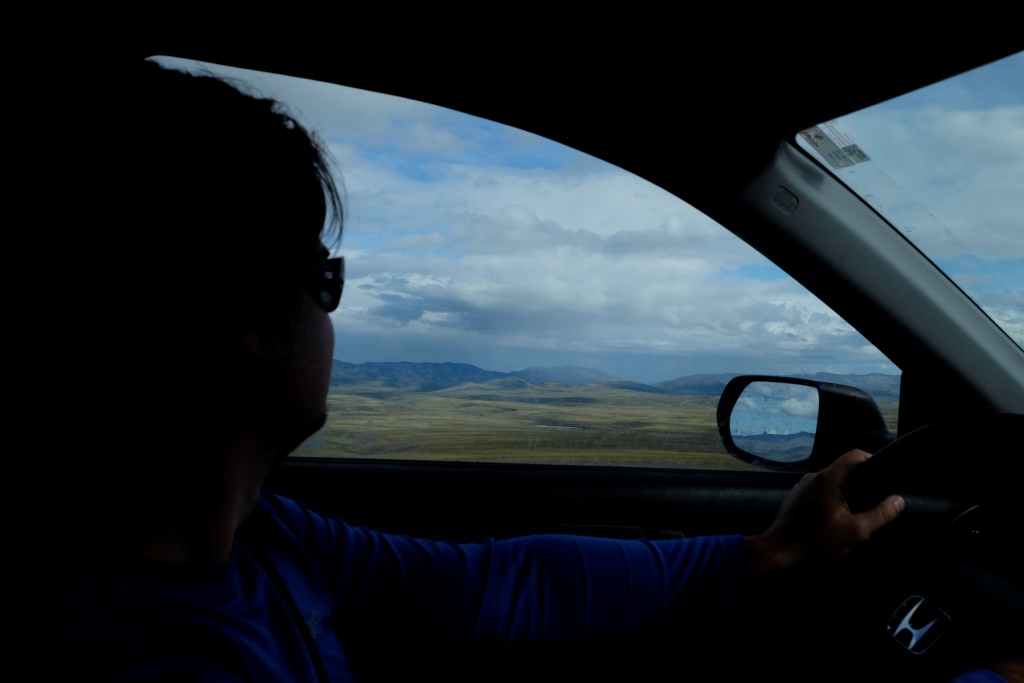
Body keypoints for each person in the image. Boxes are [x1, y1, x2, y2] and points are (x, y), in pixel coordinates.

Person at [3, 60, 1015, 682]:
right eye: (324, 278)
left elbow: (490, 585)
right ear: (242, 321)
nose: (332, 308)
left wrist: (764, 553)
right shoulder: (134, 658)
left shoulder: (253, 537)